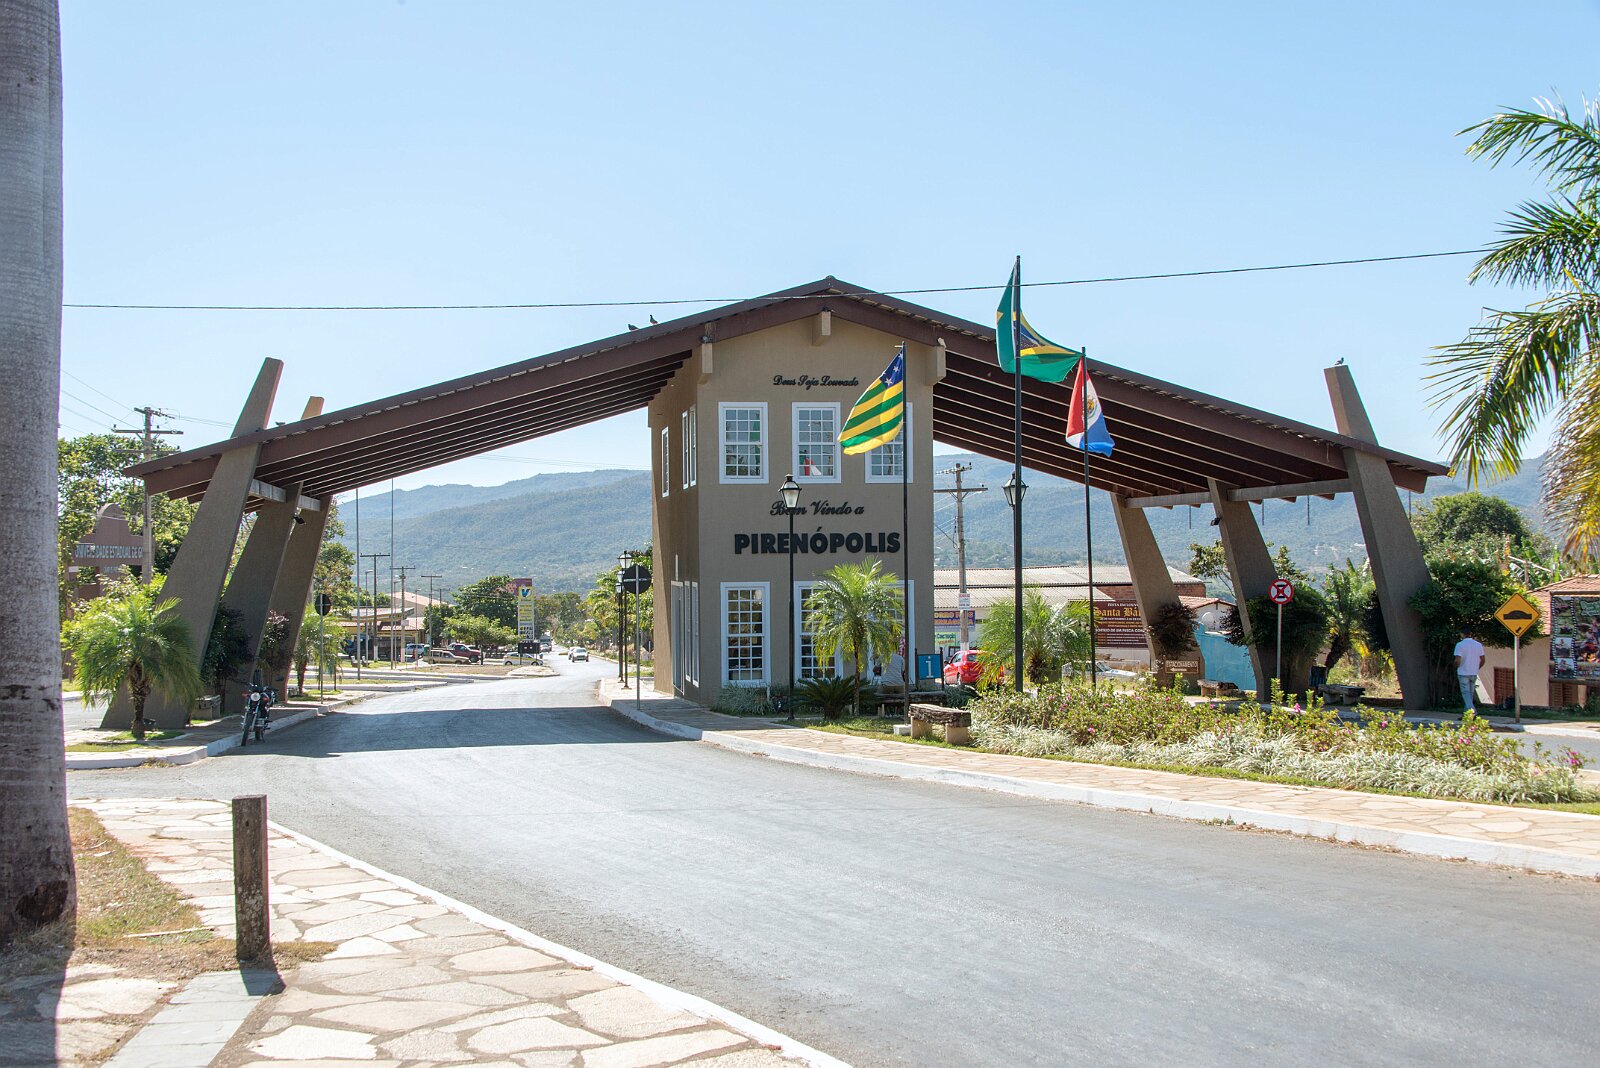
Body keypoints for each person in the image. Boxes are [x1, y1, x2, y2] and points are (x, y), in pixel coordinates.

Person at [1452, 628, 1486, 711]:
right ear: (1470, 634)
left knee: (1465, 693)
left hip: (1463, 672)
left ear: (1462, 634)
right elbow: (1483, 659)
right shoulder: (1478, 645)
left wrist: (1456, 666)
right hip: (1473, 672)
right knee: (1470, 693)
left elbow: (1457, 660)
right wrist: (1477, 667)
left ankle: (1472, 710)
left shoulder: (1460, 645)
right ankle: (1467, 713)